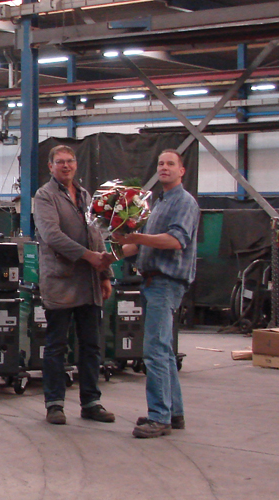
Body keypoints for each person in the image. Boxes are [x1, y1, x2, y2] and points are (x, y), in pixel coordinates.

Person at [112, 149, 200, 439]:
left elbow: (175, 241)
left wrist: (137, 237)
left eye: (170, 164)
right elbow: (139, 246)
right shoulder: (158, 205)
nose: (164, 168)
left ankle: (159, 417)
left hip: (166, 283)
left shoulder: (184, 203)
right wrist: (107, 254)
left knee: (155, 350)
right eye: (161, 164)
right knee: (162, 349)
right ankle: (173, 413)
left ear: (181, 171)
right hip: (151, 282)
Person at [33, 144, 115, 425]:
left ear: (76, 165)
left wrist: (105, 274)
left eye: (69, 161)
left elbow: (97, 233)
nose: (65, 166)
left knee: (91, 346)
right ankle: (54, 404)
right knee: (57, 346)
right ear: (50, 166)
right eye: (59, 162)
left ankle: (91, 402)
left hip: (89, 282)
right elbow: (52, 235)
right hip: (61, 282)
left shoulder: (84, 195)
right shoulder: (44, 197)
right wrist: (89, 257)